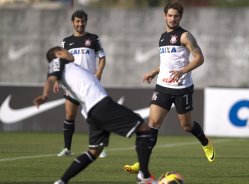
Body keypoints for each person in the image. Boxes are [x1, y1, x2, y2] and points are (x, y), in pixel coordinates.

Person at [33, 46, 158, 184]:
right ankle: (144, 176)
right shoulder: (58, 62)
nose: (69, 52)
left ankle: (61, 181)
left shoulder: (70, 66)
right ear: (58, 55)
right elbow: (51, 78)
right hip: (100, 104)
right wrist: (45, 95)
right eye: (64, 51)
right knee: (144, 129)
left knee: (93, 152)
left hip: (93, 111)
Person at [123, 1, 215, 173]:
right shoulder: (162, 37)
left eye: (176, 16)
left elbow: (199, 58)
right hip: (163, 87)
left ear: (180, 17)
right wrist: (153, 72)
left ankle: (205, 142)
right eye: (170, 15)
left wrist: (183, 71)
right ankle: (142, 165)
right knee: (152, 123)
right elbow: (166, 63)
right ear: (164, 16)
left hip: (182, 88)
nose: (173, 19)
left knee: (186, 126)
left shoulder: (185, 36)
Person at [56, 10, 107, 157]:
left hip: (89, 84)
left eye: (83, 21)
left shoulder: (93, 39)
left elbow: (102, 58)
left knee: (94, 116)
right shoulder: (66, 42)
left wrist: (98, 73)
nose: (80, 24)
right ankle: (67, 149)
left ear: (86, 21)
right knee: (69, 115)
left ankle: (99, 148)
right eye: (77, 21)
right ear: (73, 22)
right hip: (72, 85)